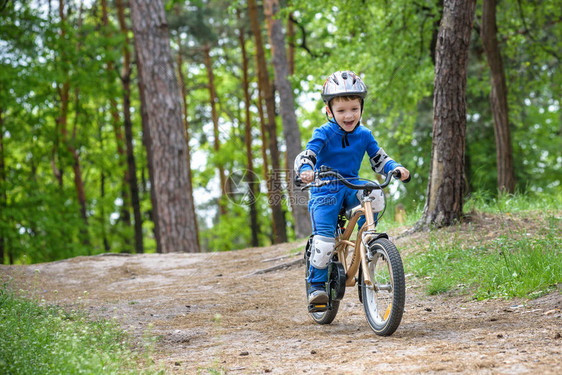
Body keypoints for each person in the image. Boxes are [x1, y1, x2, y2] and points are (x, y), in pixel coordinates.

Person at [294, 70, 410, 305]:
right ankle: (316, 286)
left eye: (354, 109)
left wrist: (395, 168)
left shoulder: (364, 134)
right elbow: (308, 154)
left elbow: (379, 159)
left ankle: (365, 236)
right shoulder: (323, 132)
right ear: (329, 111)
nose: (349, 116)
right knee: (325, 242)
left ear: (361, 108)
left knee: (374, 191)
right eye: (341, 111)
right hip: (324, 189)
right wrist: (305, 169)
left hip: (350, 184)